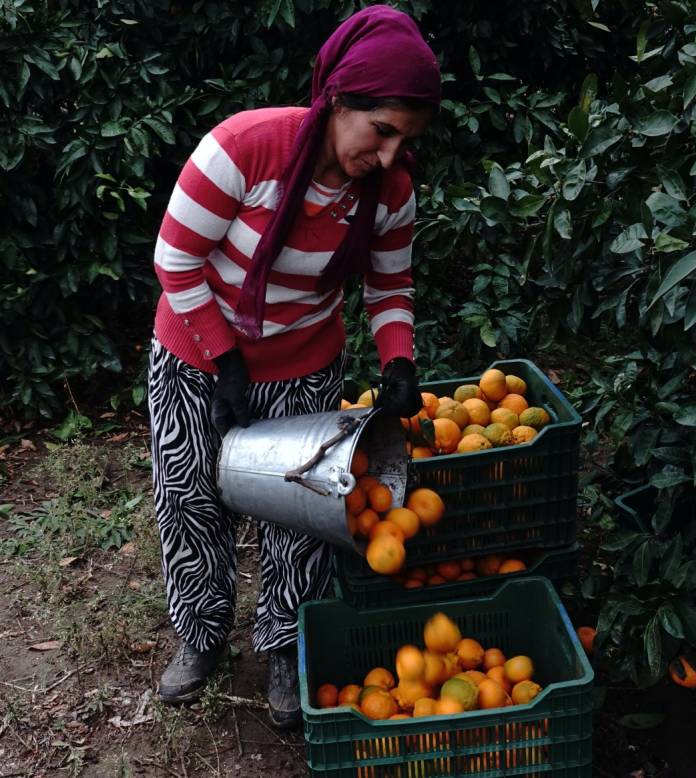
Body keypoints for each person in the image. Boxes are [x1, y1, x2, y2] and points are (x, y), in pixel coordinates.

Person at [146, 6, 439, 729]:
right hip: (197, 353)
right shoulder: (245, 148)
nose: (392, 154)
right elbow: (175, 260)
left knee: (304, 510)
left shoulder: (391, 192)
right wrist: (225, 359)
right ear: (340, 100)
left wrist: (396, 359)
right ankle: (201, 633)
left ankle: (284, 643)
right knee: (191, 497)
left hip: (305, 363)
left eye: (407, 140)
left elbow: (389, 286)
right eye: (382, 131)